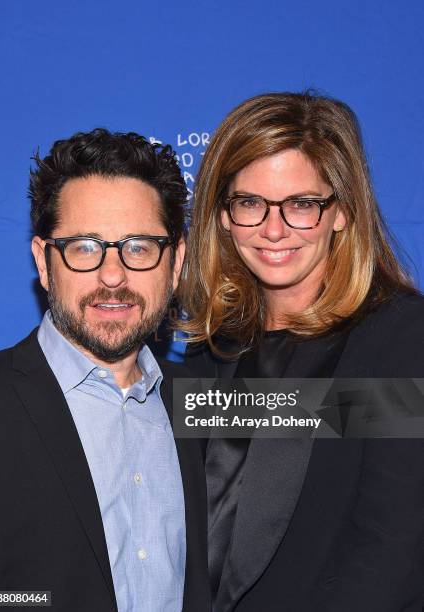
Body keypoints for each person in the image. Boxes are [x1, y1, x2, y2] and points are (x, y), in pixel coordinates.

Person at [181, 92, 424, 611]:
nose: (273, 229)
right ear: (222, 215)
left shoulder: (400, 341)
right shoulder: (211, 352)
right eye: (250, 203)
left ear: (341, 212)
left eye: (301, 204)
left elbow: (393, 551)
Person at [0, 129, 211, 612]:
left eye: (140, 246)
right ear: (45, 264)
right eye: (85, 247)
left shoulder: (205, 408)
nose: (113, 275)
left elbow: (376, 413)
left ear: (176, 264)